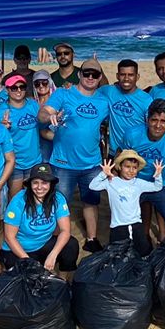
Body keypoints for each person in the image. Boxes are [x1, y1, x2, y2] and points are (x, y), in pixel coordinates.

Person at [41, 58, 111, 253]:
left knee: (91, 201)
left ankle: (92, 238)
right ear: (79, 74)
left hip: (92, 163)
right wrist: (50, 116)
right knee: (60, 202)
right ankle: (56, 237)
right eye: (86, 73)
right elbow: (43, 114)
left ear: (99, 78)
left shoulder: (103, 101)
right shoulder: (63, 94)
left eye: (94, 74)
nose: (90, 77)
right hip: (63, 163)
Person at [121, 99, 165, 242]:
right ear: (147, 120)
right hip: (134, 182)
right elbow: (119, 159)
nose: (158, 125)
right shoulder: (132, 134)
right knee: (126, 225)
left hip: (160, 185)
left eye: (163, 121)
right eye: (154, 120)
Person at [0, 162, 77, 273]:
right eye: (35, 183)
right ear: (30, 184)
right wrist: (28, 261)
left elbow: (65, 230)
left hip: (44, 243)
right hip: (19, 249)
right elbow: (9, 237)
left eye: (44, 182)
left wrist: (53, 255)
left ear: (51, 184)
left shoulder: (58, 198)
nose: (39, 187)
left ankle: (64, 280)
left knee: (71, 244)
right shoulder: (18, 201)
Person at [89, 150, 164, 255]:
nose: (131, 170)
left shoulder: (139, 183)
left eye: (134, 168)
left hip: (136, 224)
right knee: (118, 254)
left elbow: (157, 187)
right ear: (120, 167)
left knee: (144, 252)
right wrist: (103, 174)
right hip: (118, 226)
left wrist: (158, 175)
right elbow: (92, 186)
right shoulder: (111, 182)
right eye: (127, 167)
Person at [0, 73, 42, 197]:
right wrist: (2, 130)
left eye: (22, 87)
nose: (18, 90)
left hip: (34, 160)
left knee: (34, 198)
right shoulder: (0, 111)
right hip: (15, 163)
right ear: (7, 90)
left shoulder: (33, 105)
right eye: (14, 88)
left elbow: (44, 124)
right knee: (15, 200)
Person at [101, 59, 154, 156]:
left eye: (130, 75)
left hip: (135, 153)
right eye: (122, 74)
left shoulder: (146, 99)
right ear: (117, 76)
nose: (126, 78)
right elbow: (90, 93)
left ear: (137, 77)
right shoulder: (109, 91)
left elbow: (150, 128)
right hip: (113, 153)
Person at [31, 72, 57, 161]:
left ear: (50, 82)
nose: (41, 86)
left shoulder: (58, 100)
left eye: (44, 83)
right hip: (36, 143)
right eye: (37, 84)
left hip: (54, 141)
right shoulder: (31, 102)